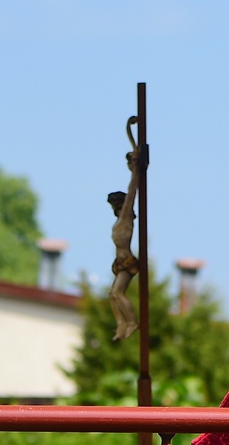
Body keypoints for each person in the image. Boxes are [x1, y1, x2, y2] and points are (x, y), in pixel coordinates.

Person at [107, 145, 140, 341]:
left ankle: (132, 322)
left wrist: (134, 170)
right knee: (112, 295)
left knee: (118, 293)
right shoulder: (118, 222)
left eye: (116, 204)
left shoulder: (126, 217)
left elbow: (132, 190)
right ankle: (120, 324)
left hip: (127, 261)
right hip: (119, 263)